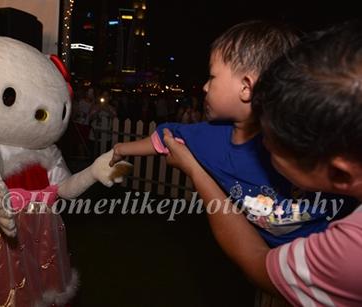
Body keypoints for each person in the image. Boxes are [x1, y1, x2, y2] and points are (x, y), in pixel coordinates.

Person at [163, 20, 362, 305]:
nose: (261, 144)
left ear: (340, 174)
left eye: (271, 139)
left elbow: (259, 265)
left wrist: (196, 171)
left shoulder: (352, 253)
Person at [110, 20, 350, 248]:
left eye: (212, 77)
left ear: (246, 87)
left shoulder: (302, 148)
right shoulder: (207, 137)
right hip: (268, 262)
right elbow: (165, 139)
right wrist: (121, 149)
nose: (204, 86)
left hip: (319, 265)